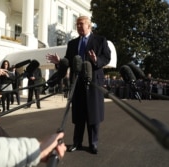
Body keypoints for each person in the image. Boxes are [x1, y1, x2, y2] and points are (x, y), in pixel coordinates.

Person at [46, 16, 111, 154]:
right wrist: (59, 62)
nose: (79, 26)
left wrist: (96, 59)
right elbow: (69, 61)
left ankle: (93, 144)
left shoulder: (100, 40)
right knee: (79, 114)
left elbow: (107, 57)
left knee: (93, 114)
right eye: (77, 24)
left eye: (81, 24)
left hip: (93, 82)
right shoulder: (72, 43)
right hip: (77, 82)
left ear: (89, 26)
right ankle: (77, 143)